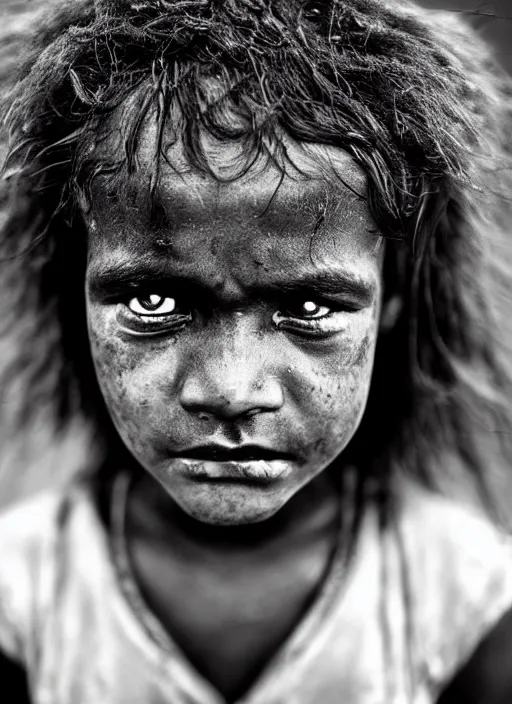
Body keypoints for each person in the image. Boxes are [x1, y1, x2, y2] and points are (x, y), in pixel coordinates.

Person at [1, 0, 512, 702]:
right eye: (154, 302)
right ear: (75, 290)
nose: (232, 391)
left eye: (308, 308)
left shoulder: (463, 599)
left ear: (393, 299)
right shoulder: (21, 595)